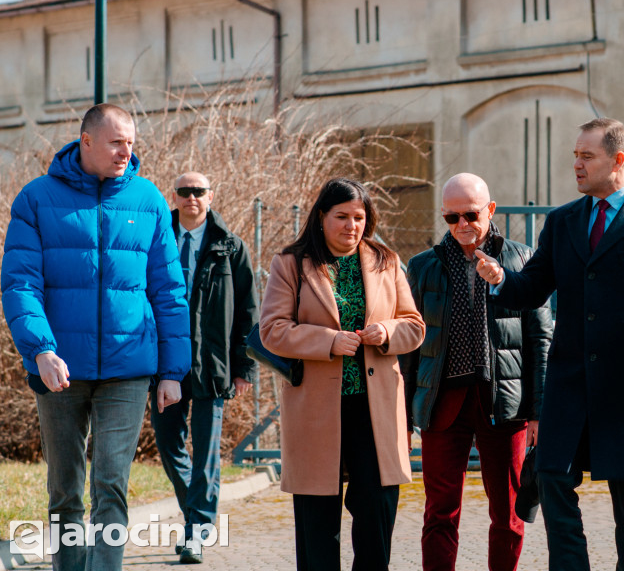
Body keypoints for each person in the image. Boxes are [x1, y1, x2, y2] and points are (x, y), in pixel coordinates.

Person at [475, 117, 624, 571]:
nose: (576, 164)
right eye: (575, 155)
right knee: (551, 477)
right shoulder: (562, 221)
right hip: (570, 385)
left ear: (617, 160)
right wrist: (501, 279)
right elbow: (532, 287)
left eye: (587, 156)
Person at [1, 103, 190, 571]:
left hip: (129, 368)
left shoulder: (148, 200)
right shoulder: (36, 199)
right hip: (59, 369)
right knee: (65, 490)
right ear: (85, 141)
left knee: (111, 485)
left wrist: (172, 371)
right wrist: (41, 349)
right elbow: (20, 284)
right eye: (116, 142)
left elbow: (169, 292)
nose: (127, 152)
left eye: (131, 143)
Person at [260, 177, 425, 571]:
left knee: (376, 512)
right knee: (318, 522)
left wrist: (386, 332)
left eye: (359, 217)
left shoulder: (386, 260)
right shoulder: (291, 263)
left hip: (376, 410)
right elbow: (272, 330)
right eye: (342, 216)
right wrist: (329, 341)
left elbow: (414, 326)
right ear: (322, 217)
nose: (352, 225)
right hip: (316, 410)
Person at [401, 173, 553, 571]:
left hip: (504, 403)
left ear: (490, 209)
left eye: (470, 214)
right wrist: (404, 414)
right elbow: (410, 345)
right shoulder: (422, 267)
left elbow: (540, 341)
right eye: (452, 218)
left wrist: (538, 412)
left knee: (508, 512)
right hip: (441, 401)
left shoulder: (522, 260)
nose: (462, 225)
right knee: (439, 511)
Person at [150, 172, 259, 564]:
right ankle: (196, 513)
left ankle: (195, 531)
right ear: (175, 197)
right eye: (184, 191)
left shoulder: (231, 247)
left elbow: (248, 311)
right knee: (168, 443)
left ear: (210, 196)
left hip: (213, 363)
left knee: (207, 453)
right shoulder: (157, 240)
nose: (191, 197)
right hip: (165, 363)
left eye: (198, 191)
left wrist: (245, 367)